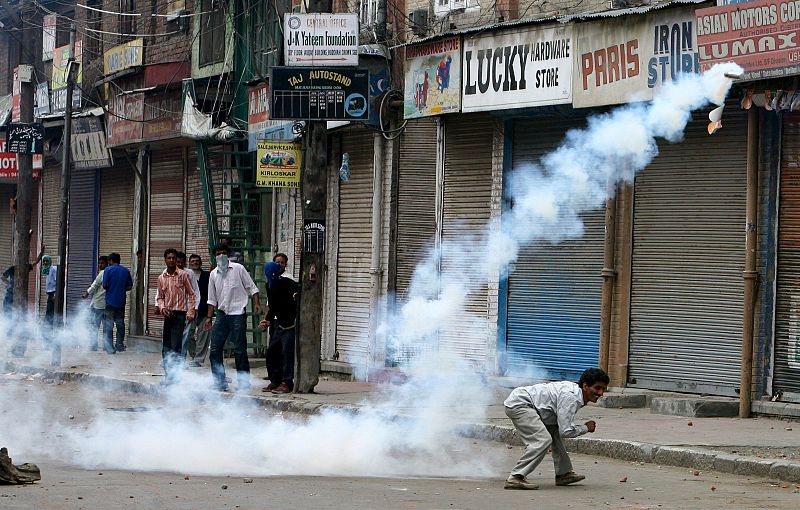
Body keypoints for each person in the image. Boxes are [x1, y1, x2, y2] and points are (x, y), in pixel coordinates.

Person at [503, 367, 609, 490]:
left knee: (555, 435)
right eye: (597, 388)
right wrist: (585, 428)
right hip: (521, 404)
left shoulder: (575, 393)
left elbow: (561, 428)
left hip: (531, 406)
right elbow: (566, 431)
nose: (601, 393)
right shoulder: (572, 397)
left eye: (603, 389)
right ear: (585, 386)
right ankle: (515, 477)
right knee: (542, 440)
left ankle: (563, 474)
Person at [205, 244, 261, 392]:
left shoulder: (238, 269)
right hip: (222, 315)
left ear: (228, 255)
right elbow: (211, 299)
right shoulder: (213, 274)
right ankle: (219, 381)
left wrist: (256, 303)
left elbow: (253, 288)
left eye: (224, 253)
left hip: (238, 313)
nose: (221, 256)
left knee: (240, 349)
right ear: (215, 256)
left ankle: (243, 382)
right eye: (218, 253)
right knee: (215, 349)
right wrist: (209, 318)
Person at [156, 248, 196, 384]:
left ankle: (176, 378)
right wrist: (162, 308)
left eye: (174, 258)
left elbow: (191, 294)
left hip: (180, 314)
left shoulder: (183, 275)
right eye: (169, 258)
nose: (172, 260)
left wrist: (191, 311)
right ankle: (168, 376)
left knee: (176, 347)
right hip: (168, 314)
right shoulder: (161, 278)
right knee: (166, 347)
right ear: (165, 259)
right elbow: (160, 297)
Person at [260, 255, 298, 394]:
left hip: (290, 324)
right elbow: (273, 306)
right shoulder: (269, 286)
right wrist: (267, 320)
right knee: (272, 351)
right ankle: (275, 380)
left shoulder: (289, 283)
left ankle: (287, 382)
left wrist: (293, 320)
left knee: (287, 354)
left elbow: (297, 301)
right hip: (279, 322)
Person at [102, 252, 133, 354]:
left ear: (110, 260)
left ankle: (109, 347)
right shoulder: (125, 271)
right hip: (121, 301)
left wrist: (112, 287)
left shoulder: (108, 270)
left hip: (110, 301)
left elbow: (104, 285)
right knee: (120, 324)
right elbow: (129, 286)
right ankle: (119, 345)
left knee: (108, 325)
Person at [174, 252, 201, 361]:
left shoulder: (189, 273)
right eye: (178, 262)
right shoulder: (167, 273)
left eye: (182, 262)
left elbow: (195, 292)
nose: (180, 264)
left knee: (184, 338)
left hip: (186, 310)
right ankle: (171, 359)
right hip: (172, 310)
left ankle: (181, 360)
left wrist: (195, 308)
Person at [187, 253, 211, 367]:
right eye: (193, 261)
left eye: (197, 261)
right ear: (189, 263)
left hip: (204, 310)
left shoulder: (208, 276)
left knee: (204, 335)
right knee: (188, 334)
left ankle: (198, 359)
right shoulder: (186, 276)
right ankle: (193, 355)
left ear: (200, 263)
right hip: (190, 310)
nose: (195, 263)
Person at [81, 256, 108, 350]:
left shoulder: (103, 273)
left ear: (107, 263)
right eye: (99, 263)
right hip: (106, 304)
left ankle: (93, 345)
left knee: (94, 326)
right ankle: (106, 346)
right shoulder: (108, 273)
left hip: (98, 304)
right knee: (105, 326)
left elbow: (94, 285)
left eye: (102, 263)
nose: (100, 265)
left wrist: (86, 293)